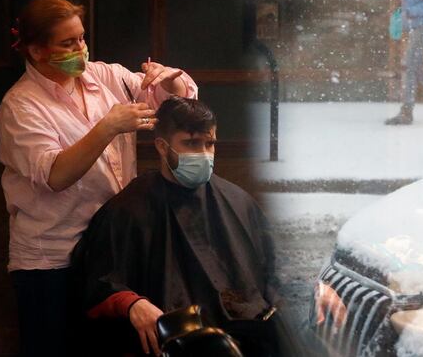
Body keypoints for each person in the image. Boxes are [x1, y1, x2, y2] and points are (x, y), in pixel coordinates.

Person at [0, 0, 197, 356]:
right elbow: (55, 175)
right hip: (53, 257)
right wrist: (107, 127)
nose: (81, 49)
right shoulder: (20, 105)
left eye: (82, 38)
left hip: (111, 244)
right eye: (68, 43)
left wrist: (170, 82)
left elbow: (172, 105)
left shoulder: (104, 76)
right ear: (37, 51)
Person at [72, 97, 293, 356]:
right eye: (190, 143)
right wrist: (133, 304)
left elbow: (274, 268)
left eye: (209, 144)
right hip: (173, 340)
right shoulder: (128, 210)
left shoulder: (238, 202)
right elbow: (100, 282)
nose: (203, 153)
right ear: (162, 147)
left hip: (244, 334)